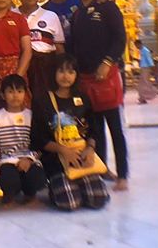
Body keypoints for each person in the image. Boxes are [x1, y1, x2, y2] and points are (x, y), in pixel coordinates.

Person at [68, 0, 128, 191]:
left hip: (106, 76)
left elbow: (120, 38)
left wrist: (107, 61)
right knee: (94, 130)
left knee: (115, 128)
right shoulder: (77, 15)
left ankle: (123, 175)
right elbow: (74, 47)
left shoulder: (107, 7)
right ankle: (102, 170)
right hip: (85, 80)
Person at [31, 52, 110, 211]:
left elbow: (94, 130)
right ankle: (59, 188)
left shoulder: (83, 98)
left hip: (82, 156)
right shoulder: (42, 100)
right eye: (61, 71)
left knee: (99, 199)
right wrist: (63, 150)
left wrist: (89, 148)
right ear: (54, 73)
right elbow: (37, 138)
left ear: (76, 75)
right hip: (57, 160)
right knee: (70, 203)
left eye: (70, 71)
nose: (65, 76)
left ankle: (79, 184)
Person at [0, 74, 45, 204]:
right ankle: (10, 193)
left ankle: (29, 192)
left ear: (25, 94)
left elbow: (39, 143)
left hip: (29, 159)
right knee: (8, 180)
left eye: (19, 91)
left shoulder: (32, 116)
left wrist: (29, 159)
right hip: (6, 160)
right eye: (10, 91)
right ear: (3, 95)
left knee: (37, 178)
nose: (15, 95)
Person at [16, 0, 64, 98]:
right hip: (18, 66)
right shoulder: (11, 15)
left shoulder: (51, 16)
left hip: (45, 68)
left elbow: (59, 48)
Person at [134, 39, 158, 104]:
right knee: (145, 84)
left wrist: (153, 69)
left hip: (146, 69)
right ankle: (156, 94)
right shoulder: (141, 51)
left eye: (136, 45)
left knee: (143, 85)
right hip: (143, 68)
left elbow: (149, 60)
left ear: (139, 44)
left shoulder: (145, 51)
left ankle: (143, 99)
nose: (136, 47)